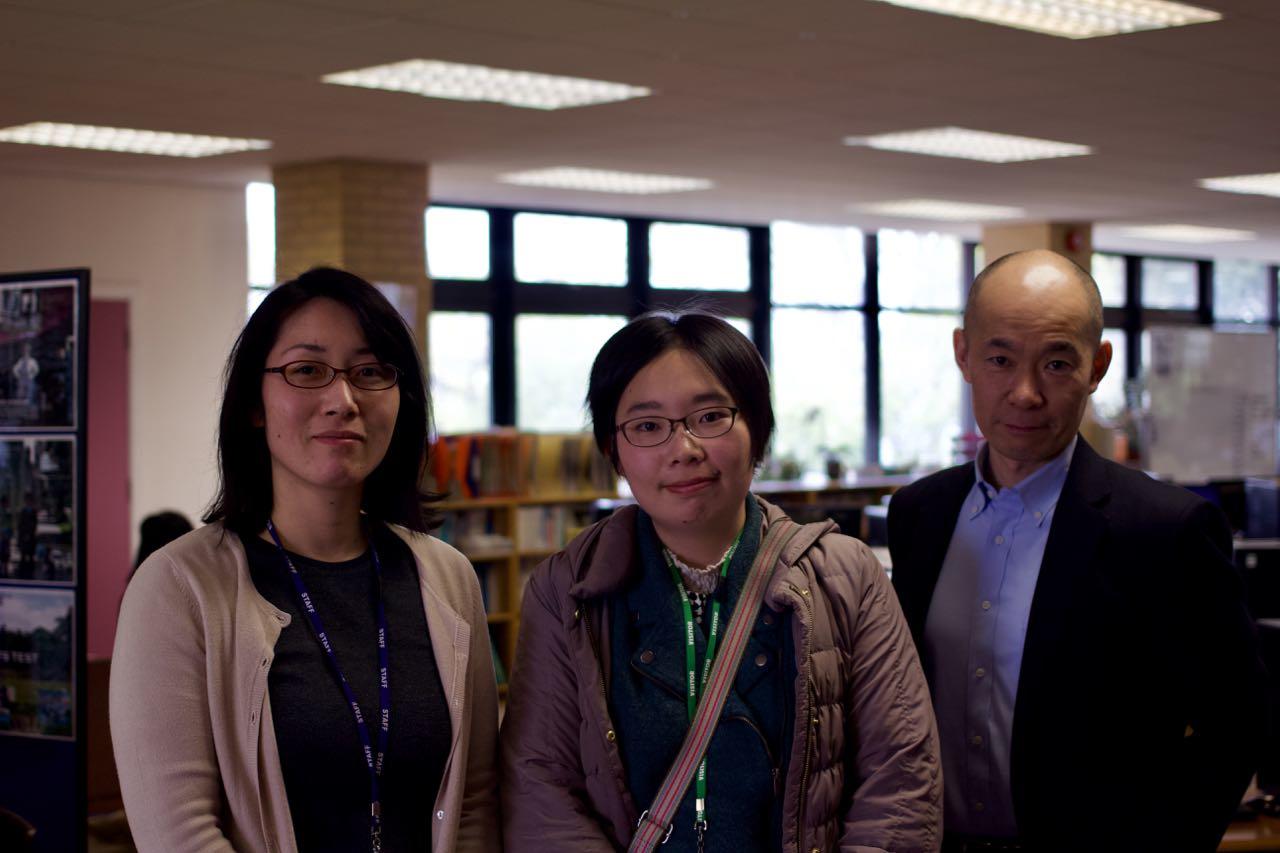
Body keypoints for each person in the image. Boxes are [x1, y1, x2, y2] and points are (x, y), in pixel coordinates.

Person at [501, 311, 941, 852]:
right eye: (647, 426)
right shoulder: (566, 588)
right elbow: (540, 786)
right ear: (613, 450)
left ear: (758, 429)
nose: (683, 449)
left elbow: (899, 779)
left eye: (710, 417)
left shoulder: (846, 575)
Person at [888, 249, 1266, 852]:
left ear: (1098, 366)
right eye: (1000, 359)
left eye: (1057, 363)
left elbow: (1237, 723)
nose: (1025, 393)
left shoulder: (1164, 531)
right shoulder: (919, 515)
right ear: (963, 355)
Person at [110, 267, 499, 852]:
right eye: (307, 371)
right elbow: (180, 834)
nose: (343, 400)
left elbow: (473, 800)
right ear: (255, 403)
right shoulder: (178, 587)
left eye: (370, 372)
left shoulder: (447, 576)